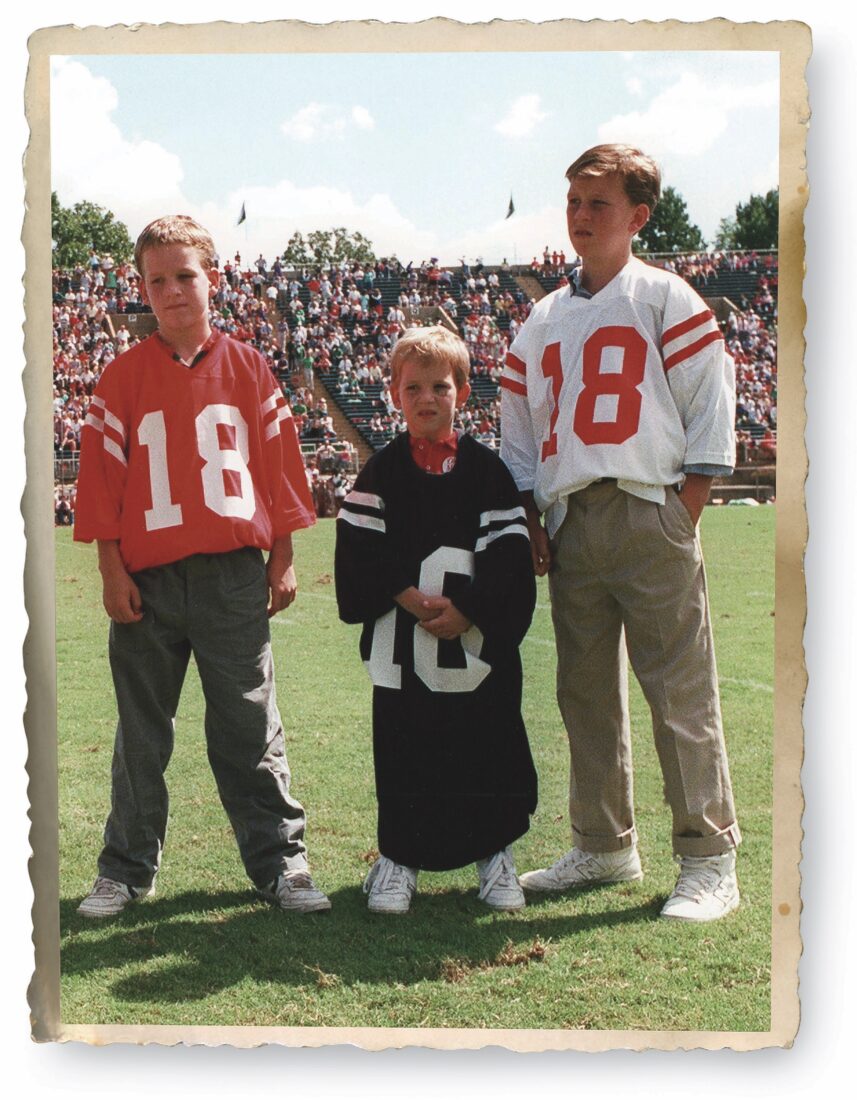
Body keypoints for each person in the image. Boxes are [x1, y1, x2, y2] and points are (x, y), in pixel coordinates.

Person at [500, 144, 741, 922]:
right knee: (584, 695)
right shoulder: (541, 318)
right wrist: (532, 514)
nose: (579, 215)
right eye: (572, 200)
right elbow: (519, 427)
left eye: (596, 203)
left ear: (637, 216)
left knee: (678, 692)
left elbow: (708, 403)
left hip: (647, 505)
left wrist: (684, 506)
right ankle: (604, 845)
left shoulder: (664, 297)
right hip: (572, 517)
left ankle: (708, 858)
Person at [73, 214, 331, 918]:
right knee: (140, 731)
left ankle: (281, 862)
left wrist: (282, 558)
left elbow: (278, 472)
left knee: (249, 726)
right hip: (148, 579)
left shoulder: (248, 367)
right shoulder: (121, 376)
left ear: (211, 277)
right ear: (142, 290)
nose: (173, 291)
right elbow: (103, 486)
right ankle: (126, 867)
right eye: (156, 280)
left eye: (185, 275)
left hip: (231, 575)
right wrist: (110, 571)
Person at [335, 326, 538, 914]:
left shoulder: (488, 472)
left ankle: (494, 858)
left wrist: (470, 608)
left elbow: (508, 559)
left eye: (440, 386)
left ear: (463, 392)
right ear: (395, 395)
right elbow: (358, 555)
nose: (428, 398)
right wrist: (402, 594)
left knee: (486, 748)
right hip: (404, 655)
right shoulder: (379, 474)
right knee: (404, 752)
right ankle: (398, 860)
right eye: (415, 387)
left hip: (474, 653)